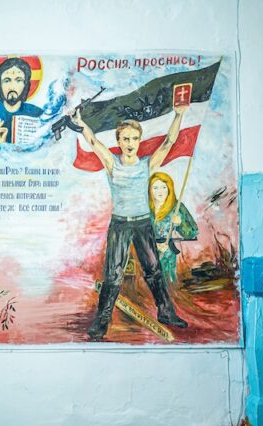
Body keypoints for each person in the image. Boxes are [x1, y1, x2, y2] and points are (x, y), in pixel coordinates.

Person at [73, 101, 190, 340]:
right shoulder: (112, 163)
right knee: (113, 274)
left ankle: (166, 312)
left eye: (134, 139)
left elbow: (169, 142)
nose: (129, 143)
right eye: (125, 139)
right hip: (120, 225)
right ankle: (102, 320)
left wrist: (178, 115)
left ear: (139, 141)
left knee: (153, 269)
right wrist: (81, 124)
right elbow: (93, 142)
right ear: (119, 141)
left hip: (142, 224)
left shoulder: (147, 164)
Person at [149, 172, 199, 287]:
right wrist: (153, 245)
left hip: (168, 256)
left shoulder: (177, 207)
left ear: (169, 188)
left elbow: (192, 232)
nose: (160, 191)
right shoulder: (144, 208)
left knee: (168, 285)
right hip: (147, 253)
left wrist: (181, 223)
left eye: (163, 187)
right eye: (155, 188)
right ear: (150, 190)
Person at [0, 57, 44, 144]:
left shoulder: (37, 114)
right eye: (7, 81)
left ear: (25, 85)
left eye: (18, 80)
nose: (12, 87)